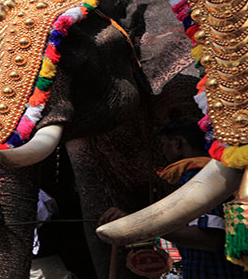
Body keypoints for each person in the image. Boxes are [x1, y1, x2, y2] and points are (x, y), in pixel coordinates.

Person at [99, 118, 248, 279]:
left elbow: (211, 240)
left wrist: (148, 227)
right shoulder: (199, 176)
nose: (163, 152)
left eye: (164, 145)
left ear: (177, 143)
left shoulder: (198, 177)